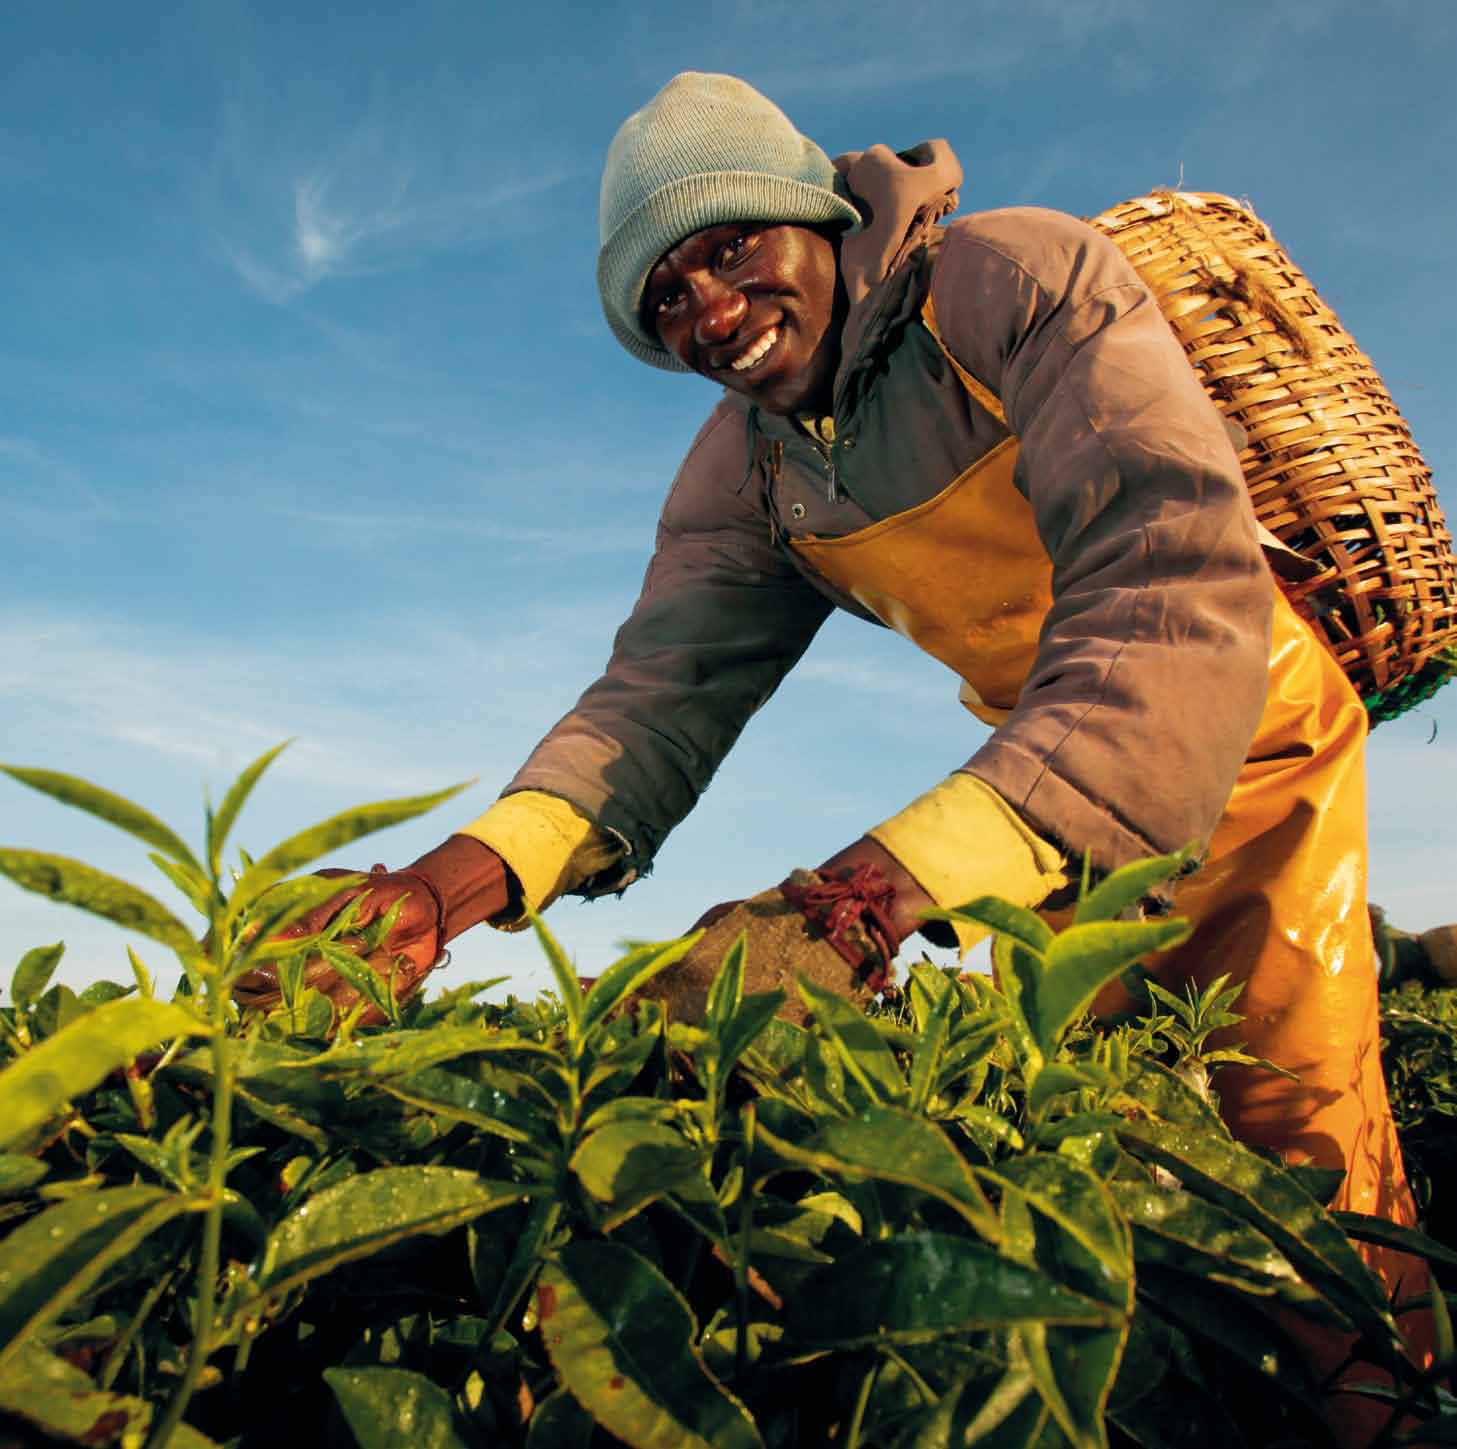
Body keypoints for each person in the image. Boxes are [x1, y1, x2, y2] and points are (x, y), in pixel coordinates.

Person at [236, 71, 1420, 1312]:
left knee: (1303, 1170)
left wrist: (850, 906)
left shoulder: (1009, 282)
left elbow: (1165, 581)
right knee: (1117, 1165)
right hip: (1031, 826)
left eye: (731, 246)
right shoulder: (747, 476)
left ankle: (1398, 1395)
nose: (711, 309)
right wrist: (433, 895)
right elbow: (653, 703)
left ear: (816, 213)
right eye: (666, 298)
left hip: (1240, 738)